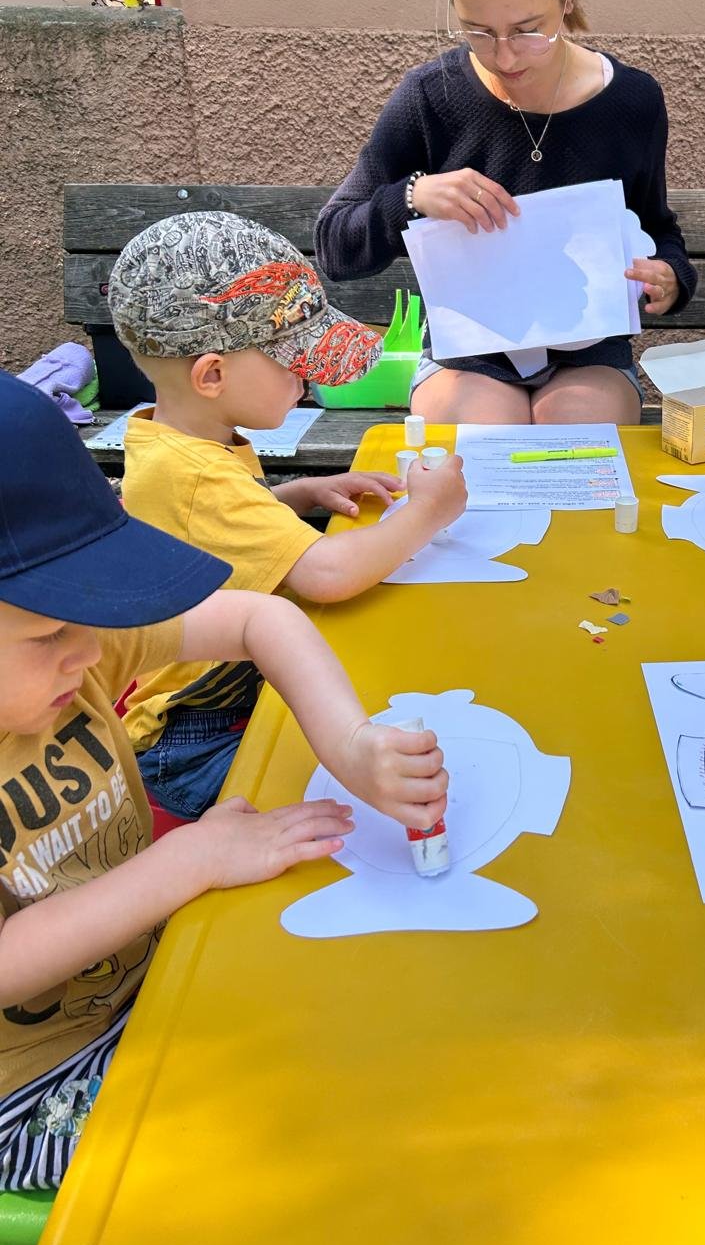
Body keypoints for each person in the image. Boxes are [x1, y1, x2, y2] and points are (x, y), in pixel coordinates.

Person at [0, 372, 450, 1188]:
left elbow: (257, 616)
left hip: (148, 980)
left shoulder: (72, 658)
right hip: (31, 1089)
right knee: (292, 1133)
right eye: (50, 632)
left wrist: (349, 745)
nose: (92, 651)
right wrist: (190, 862)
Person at [108, 211, 467, 820]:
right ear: (212, 374)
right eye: (293, 363)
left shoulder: (178, 442)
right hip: (198, 738)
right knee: (349, 802)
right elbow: (327, 574)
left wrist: (297, 494)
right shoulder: (196, 472)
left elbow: (203, 535)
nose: (307, 381)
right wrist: (428, 511)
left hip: (224, 706)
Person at [315, 0, 697, 426]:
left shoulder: (632, 101)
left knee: (575, 436)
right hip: (466, 357)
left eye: (527, 30)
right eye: (477, 31)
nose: (505, 57)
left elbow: (658, 229)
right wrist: (414, 196)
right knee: (486, 434)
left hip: (588, 354)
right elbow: (334, 244)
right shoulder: (431, 96)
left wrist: (671, 278)